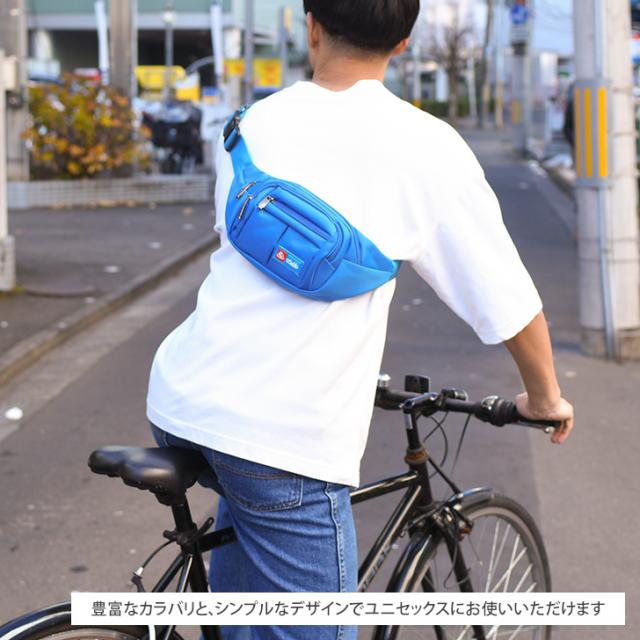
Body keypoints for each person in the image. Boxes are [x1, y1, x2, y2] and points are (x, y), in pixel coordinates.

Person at [146, 1, 574, 639]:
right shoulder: (426, 147)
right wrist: (544, 397)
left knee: (247, 577)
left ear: (311, 24)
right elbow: (508, 299)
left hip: (182, 401)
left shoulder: (248, 125)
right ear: (402, 43)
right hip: (281, 433)